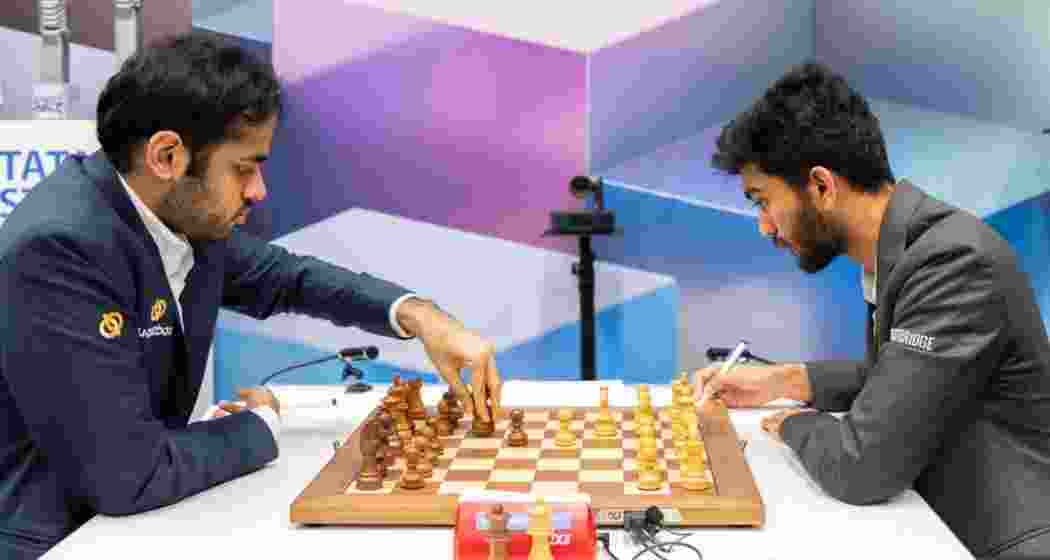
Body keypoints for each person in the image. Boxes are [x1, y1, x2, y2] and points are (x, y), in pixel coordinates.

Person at [0, 32, 502, 558]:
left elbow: (287, 277)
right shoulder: (59, 248)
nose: (258, 191)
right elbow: (131, 476)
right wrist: (259, 424)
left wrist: (421, 315)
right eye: (243, 168)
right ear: (167, 155)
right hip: (57, 541)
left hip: (128, 527)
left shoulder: (173, 214)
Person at [695, 61, 1050, 559]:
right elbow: (909, 378)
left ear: (821, 186)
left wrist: (790, 423)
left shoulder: (954, 262)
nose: (765, 227)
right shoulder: (910, 247)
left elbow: (864, 466)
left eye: (762, 201)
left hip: (1000, 541)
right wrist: (788, 381)